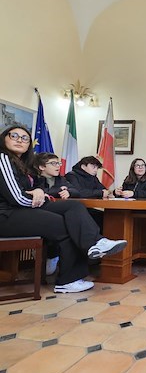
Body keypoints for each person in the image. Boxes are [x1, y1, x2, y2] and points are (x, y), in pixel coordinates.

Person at [0, 126, 127, 293]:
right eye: (14, 135)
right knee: (65, 225)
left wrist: (38, 192)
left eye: (24, 138)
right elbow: (17, 197)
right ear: (4, 138)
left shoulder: (23, 164)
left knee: (74, 206)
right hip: (6, 215)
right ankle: (68, 280)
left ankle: (96, 243)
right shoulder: (3, 158)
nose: (19, 140)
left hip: (22, 209)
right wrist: (37, 197)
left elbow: (35, 188)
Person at [33, 152, 81, 275]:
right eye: (53, 163)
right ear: (41, 167)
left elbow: (76, 190)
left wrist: (69, 192)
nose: (58, 166)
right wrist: (58, 190)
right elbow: (41, 192)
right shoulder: (35, 178)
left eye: (58, 163)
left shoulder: (61, 179)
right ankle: (51, 254)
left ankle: (61, 258)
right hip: (39, 213)